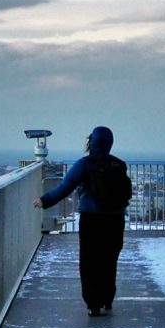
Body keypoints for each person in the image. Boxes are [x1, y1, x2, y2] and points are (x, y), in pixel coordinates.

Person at [36, 125, 130, 315]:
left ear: (92, 142)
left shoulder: (85, 164)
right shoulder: (119, 165)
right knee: (109, 259)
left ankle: (93, 303)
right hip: (115, 219)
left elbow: (66, 186)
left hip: (92, 218)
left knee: (90, 260)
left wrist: (44, 201)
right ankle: (107, 298)